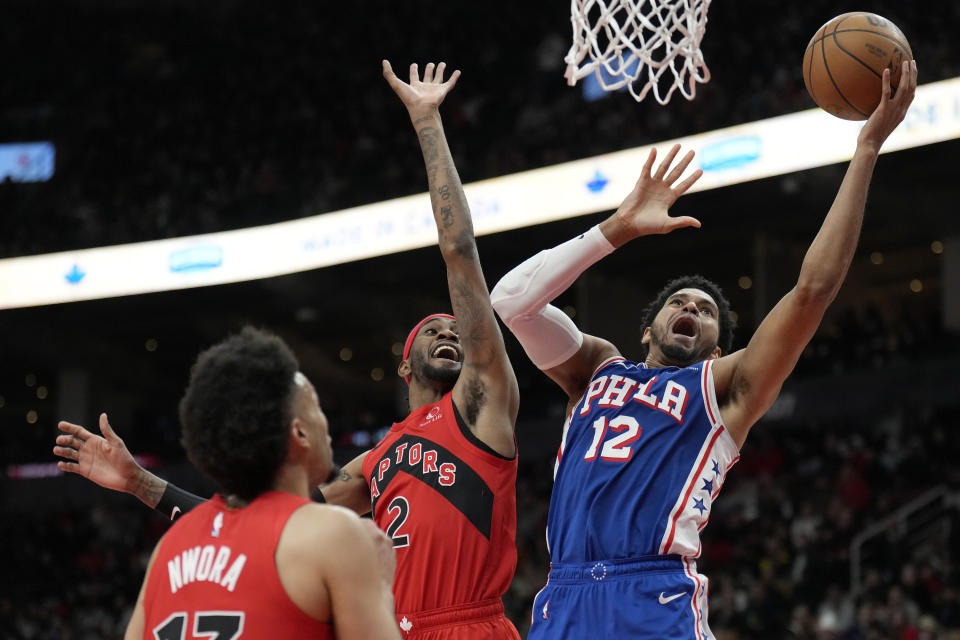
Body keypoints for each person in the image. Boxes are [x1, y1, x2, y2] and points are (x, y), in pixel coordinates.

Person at [55, 60, 522, 639]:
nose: (450, 332)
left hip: (467, 625)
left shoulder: (481, 403)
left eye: (456, 328)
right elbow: (252, 519)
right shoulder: (379, 461)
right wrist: (138, 483)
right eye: (433, 329)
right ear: (404, 363)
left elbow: (459, 251)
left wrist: (427, 123)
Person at [489, 61, 917, 639]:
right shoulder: (594, 369)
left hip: (652, 595)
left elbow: (812, 290)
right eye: (680, 302)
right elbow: (512, 300)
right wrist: (616, 228)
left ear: (718, 343)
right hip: (561, 598)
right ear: (649, 327)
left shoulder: (724, 389)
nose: (692, 309)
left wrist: (866, 148)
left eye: (707, 311)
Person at [110, 327, 401, 639]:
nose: (328, 426)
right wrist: (381, 588)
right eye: (318, 408)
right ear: (299, 433)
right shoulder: (334, 533)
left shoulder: (168, 549)